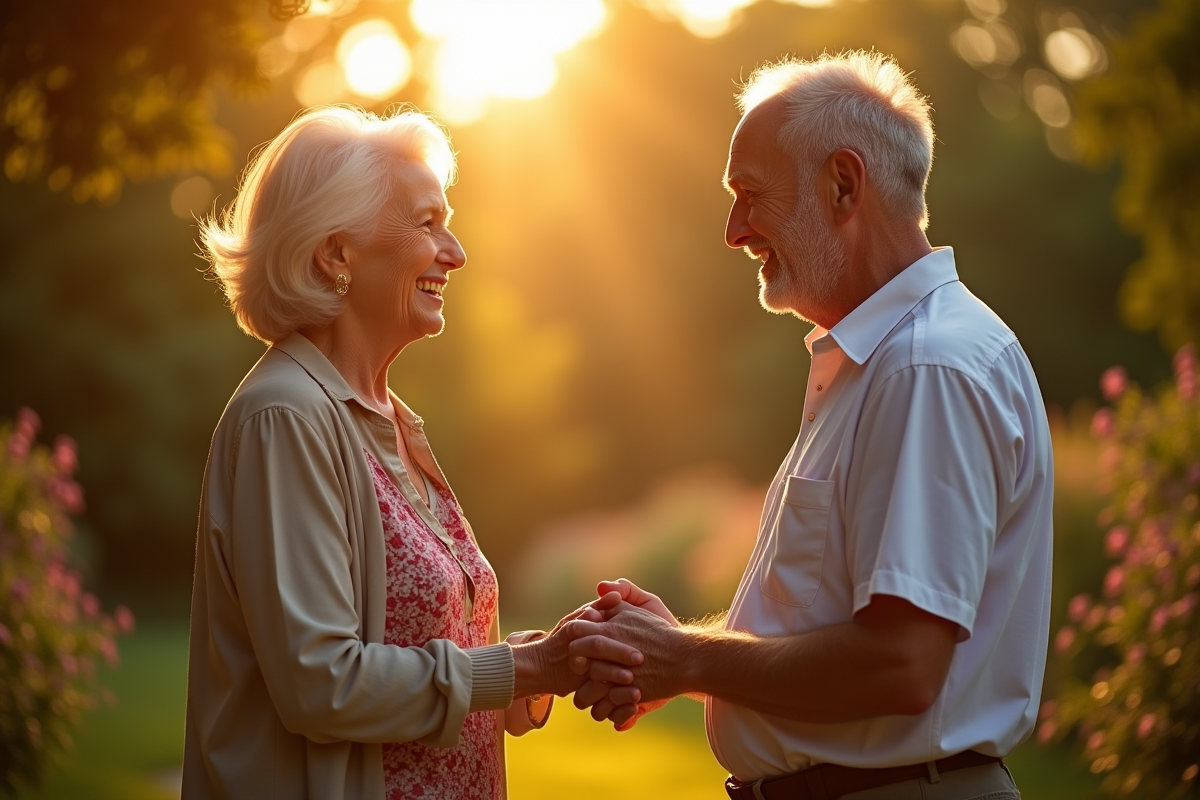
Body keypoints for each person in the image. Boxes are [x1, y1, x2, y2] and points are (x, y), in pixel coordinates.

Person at [567, 51, 1053, 800]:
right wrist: (680, 648)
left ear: (843, 184)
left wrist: (688, 658)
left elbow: (901, 664)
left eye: (750, 195)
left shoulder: (925, 369)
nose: (734, 231)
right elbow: (848, 625)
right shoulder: (886, 362)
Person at [182, 106, 639, 800]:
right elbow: (321, 684)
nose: (455, 252)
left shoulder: (388, 421)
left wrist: (543, 658)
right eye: (427, 224)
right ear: (337, 253)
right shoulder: (286, 418)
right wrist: (523, 671)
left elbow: (428, 657)